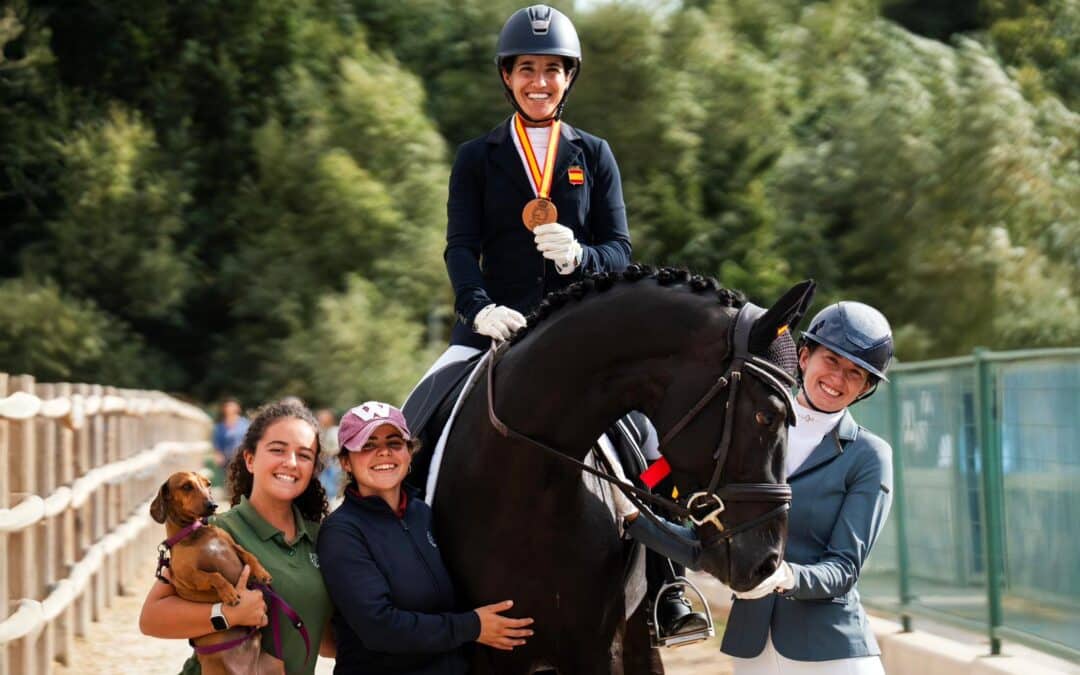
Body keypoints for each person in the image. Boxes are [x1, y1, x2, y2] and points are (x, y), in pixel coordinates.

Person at [620, 301, 896, 674]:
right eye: (831, 360)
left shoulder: (869, 456)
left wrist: (787, 576)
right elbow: (705, 549)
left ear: (865, 388)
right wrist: (633, 517)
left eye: (855, 373)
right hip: (752, 651)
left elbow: (844, 568)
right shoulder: (748, 435)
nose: (838, 378)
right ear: (804, 357)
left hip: (832, 652)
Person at [429, 3, 631, 375]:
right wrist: (479, 309)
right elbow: (460, 249)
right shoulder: (475, 157)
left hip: (579, 327)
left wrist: (578, 256)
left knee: (646, 412)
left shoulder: (595, 154)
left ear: (568, 77)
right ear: (507, 76)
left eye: (552, 69)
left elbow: (619, 250)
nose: (539, 83)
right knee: (423, 403)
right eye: (526, 69)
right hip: (495, 327)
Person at [317, 401, 534, 674]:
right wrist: (473, 626)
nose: (384, 452)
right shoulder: (341, 533)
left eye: (394, 443)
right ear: (346, 462)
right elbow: (380, 628)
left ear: (409, 453)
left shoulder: (422, 514)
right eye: (367, 445)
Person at [140, 401, 336, 674]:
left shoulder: (323, 538)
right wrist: (227, 615)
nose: (291, 462)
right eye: (277, 450)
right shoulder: (212, 532)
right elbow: (151, 619)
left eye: (304, 455)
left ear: (314, 467)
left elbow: (326, 642)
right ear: (250, 459)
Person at [211, 397, 249, 484]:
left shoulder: (245, 424)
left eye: (232, 406)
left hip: (242, 457)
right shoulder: (219, 427)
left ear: (238, 408)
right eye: (228, 407)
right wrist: (218, 454)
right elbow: (217, 443)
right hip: (227, 460)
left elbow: (249, 439)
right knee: (229, 482)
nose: (230, 409)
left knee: (242, 481)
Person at [315, 408, 344, 499]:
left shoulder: (335, 431)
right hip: (325, 464)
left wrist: (326, 453)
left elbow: (339, 449)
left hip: (334, 464)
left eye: (322, 419)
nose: (320, 422)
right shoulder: (321, 432)